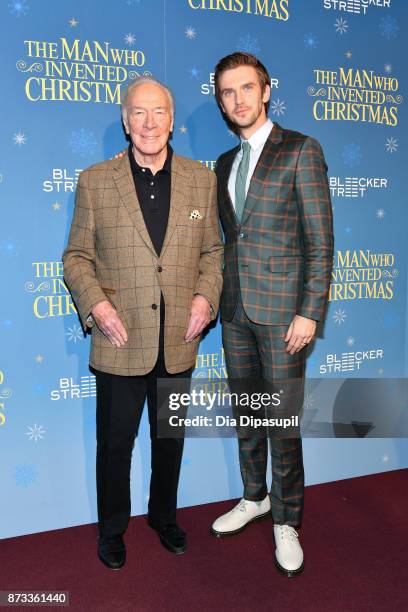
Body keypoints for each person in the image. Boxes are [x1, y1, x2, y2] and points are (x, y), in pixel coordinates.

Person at [63, 76, 223, 570]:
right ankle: (113, 529)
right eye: (139, 112)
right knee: (114, 445)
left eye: (158, 113)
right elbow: (75, 257)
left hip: (179, 338)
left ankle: (163, 516)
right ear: (125, 120)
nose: (149, 122)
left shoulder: (202, 178)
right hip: (119, 338)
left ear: (172, 121)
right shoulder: (95, 180)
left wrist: (205, 297)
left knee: (169, 438)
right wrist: (98, 307)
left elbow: (214, 252)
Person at [210, 52, 334, 577]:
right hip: (235, 310)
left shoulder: (301, 150)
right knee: (248, 416)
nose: (237, 100)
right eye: (226, 93)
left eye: (246, 88)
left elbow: (320, 243)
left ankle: (288, 521)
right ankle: (254, 496)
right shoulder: (223, 163)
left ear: (265, 91)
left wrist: (310, 312)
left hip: (285, 316)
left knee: (281, 423)